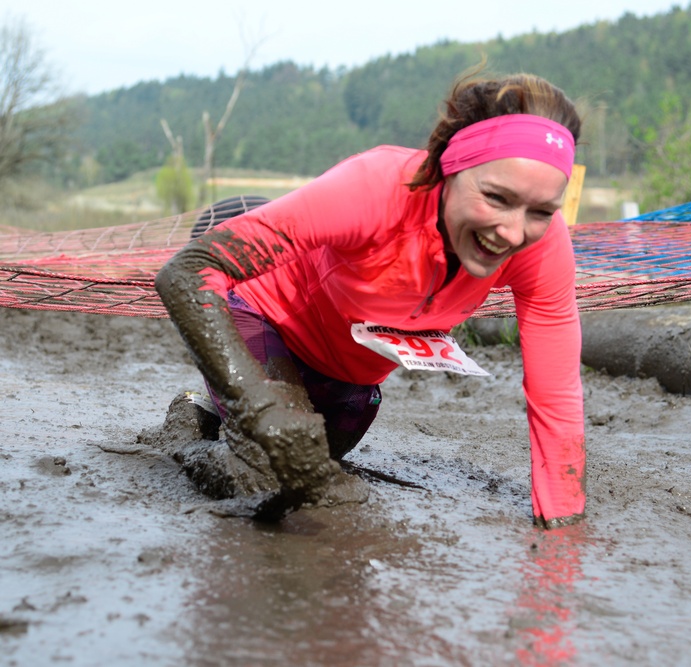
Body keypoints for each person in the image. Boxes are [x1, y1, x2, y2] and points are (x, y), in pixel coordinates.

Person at [154, 71, 586, 528]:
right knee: (273, 471)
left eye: (540, 211)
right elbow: (188, 271)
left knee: (316, 462)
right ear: (448, 168)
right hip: (266, 317)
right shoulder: (376, 189)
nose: (514, 233)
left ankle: (223, 414)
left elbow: (555, 390)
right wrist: (258, 405)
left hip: (350, 367)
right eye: (497, 197)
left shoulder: (541, 246)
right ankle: (201, 426)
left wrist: (561, 524)